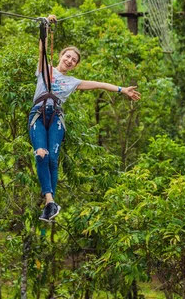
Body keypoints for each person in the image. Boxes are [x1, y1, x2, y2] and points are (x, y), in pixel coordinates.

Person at [29, 28, 141, 222]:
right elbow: (42, 50)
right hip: (38, 115)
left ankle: (50, 203)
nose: (69, 60)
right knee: (41, 154)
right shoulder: (46, 69)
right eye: (68, 56)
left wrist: (122, 90)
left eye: (74, 60)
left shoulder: (73, 82)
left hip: (55, 117)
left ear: (75, 66)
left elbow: (99, 84)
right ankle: (50, 201)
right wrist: (45, 27)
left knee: (53, 159)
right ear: (61, 55)